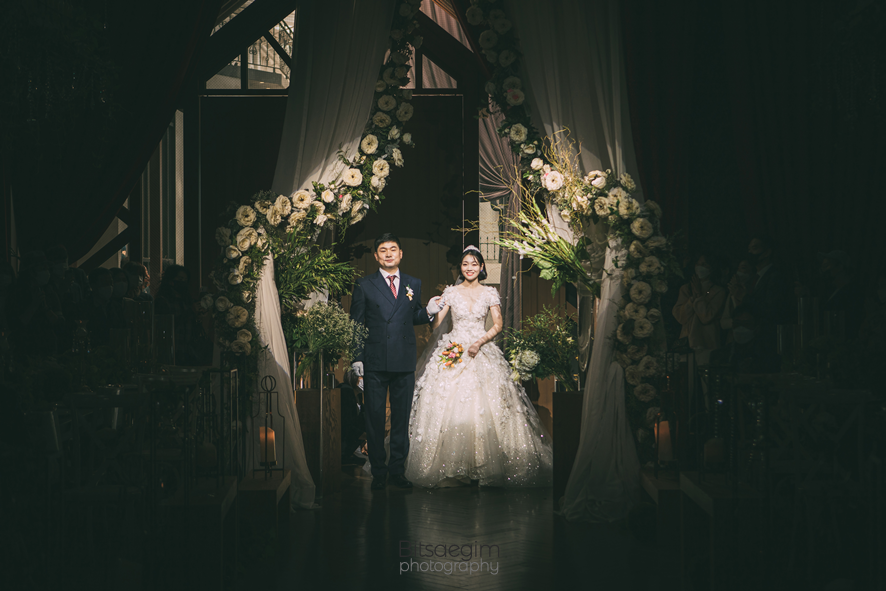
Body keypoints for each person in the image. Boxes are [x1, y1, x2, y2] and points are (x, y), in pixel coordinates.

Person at [403, 245, 553, 488]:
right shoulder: (451, 292)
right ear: (460, 268)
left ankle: (483, 466)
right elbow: (437, 326)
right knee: (448, 402)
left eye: (474, 264)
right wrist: (433, 311)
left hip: (480, 348)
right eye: (465, 264)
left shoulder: (489, 293)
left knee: (488, 403)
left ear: (481, 267)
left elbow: (498, 325)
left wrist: (479, 342)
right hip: (454, 349)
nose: (469, 268)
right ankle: (453, 468)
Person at [349, 233, 439, 490]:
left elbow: (412, 316)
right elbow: (356, 324)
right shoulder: (364, 284)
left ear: (401, 254)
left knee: (401, 419)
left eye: (393, 249)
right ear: (376, 256)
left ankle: (397, 471)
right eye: (383, 250)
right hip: (374, 360)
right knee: (374, 419)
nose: (388, 254)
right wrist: (357, 358)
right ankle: (379, 472)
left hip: (403, 359)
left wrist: (428, 312)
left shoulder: (413, 283)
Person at [672, 253, 727, 369]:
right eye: (698, 264)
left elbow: (706, 316)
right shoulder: (686, 289)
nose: (700, 267)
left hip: (707, 344)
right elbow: (680, 317)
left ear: (712, 268)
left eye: (704, 264)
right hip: (686, 344)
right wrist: (692, 299)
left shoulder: (719, 291)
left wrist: (699, 296)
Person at [154, 264, 209, 365]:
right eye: (180, 279)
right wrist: (190, 312)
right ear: (171, 281)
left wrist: (198, 316)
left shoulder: (186, 301)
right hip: (170, 352)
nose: (183, 282)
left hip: (188, 352)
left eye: (185, 280)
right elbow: (167, 326)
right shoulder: (163, 301)